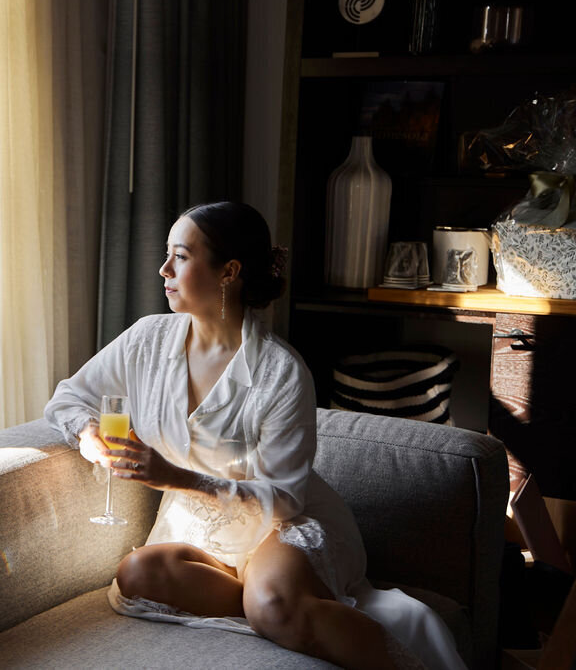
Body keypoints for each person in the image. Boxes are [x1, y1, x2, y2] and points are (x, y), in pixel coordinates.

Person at [44, 202, 465, 670]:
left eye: (180, 257)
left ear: (229, 271)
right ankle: (264, 597)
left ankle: (317, 619)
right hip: (204, 531)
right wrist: (87, 435)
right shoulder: (146, 340)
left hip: (284, 524)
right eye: (167, 255)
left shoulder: (280, 372)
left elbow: (285, 497)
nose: (163, 269)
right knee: (136, 573)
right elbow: (68, 397)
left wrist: (173, 477)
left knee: (271, 606)